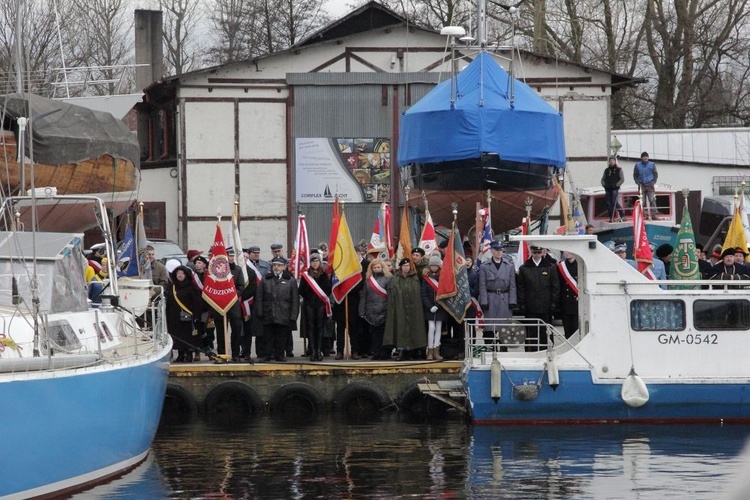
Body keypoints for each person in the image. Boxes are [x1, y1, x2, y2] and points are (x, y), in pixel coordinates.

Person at [517, 245, 560, 351]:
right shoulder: (524, 268)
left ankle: (547, 350)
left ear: (543, 252)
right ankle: (531, 351)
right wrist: (522, 303)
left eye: (539, 252)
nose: (536, 255)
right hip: (530, 306)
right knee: (531, 331)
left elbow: (555, 286)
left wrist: (554, 303)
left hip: (546, 306)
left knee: (546, 331)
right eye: (534, 252)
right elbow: (521, 288)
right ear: (531, 252)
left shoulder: (550, 267)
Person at [384, 258, 426, 361]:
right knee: (400, 329)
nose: (406, 268)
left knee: (414, 329)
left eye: (408, 266)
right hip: (400, 308)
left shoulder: (415, 278)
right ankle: (401, 351)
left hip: (414, 309)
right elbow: (392, 294)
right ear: (401, 267)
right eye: (404, 266)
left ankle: (415, 351)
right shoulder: (395, 279)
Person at [478, 240, 517, 345]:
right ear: (491, 251)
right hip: (491, 298)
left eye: (501, 250)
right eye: (497, 250)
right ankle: (489, 347)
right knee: (490, 326)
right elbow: (482, 285)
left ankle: (504, 348)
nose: (499, 252)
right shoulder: (485, 266)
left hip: (505, 297)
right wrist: (484, 301)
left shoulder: (509, 265)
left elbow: (513, 285)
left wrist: (512, 300)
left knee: (504, 326)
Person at [213, 247, 247, 362]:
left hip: (233, 304)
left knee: (236, 330)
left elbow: (241, 286)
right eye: (229, 256)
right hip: (220, 304)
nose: (231, 258)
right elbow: (213, 287)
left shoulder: (237, 270)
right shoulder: (217, 271)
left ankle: (235, 354)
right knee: (221, 331)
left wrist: (232, 295)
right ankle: (222, 354)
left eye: (232, 256)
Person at [165, 265, 203, 362]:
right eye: (178, 273)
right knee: (177, 336)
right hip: (174, 317)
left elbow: (197, 302)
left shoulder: (191, 287)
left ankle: (189, 354)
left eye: (182, 273)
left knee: (188, 336)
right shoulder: (172, 287)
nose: (180, 275)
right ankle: (180, 354)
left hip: (188, 317)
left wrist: (196, 315)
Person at [298, 253, 331, 362]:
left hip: (321, 304)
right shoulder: (306, 275)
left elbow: (327, 289)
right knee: (311, 328)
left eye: (316, 261)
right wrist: (310, 296)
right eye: (313, 261)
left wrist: (319, 297)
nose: (315, 263)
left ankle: (318, 350)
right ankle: (312, 351)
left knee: (320, 328)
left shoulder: (324, 274)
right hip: (309, 304)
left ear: (320, 262)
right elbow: (301, 289)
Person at [359, 258, 392, 360]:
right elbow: (364, 295)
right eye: (374, 267)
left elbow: (391, 296)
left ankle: (385, 353)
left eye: (378, 267)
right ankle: (376, 353)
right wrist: (362, 310)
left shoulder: (388, 279)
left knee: (383, 334)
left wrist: (388, 310)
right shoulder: (368, 280)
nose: (376, 269)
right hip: (371, 311)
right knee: (374, 335)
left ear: (382, 268)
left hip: (384, 310)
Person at [421, 254, 448, 360]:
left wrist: (437, 305)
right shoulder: (426, 278)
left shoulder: (443, 278)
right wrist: (430, 306)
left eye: (435, 266)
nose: (433, 268)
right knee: (431, 328)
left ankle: (437, 350)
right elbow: (424, 294)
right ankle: (430, 350)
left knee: (438, 328)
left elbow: (445, 293)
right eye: (431, 266)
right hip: (429, 308)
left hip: (440, 307)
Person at [557, 252, 579, 338]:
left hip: (577, 304)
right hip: (566, 304)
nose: (567, 253)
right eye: (565, 252)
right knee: (568, 331)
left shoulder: (580, 264)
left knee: (577, 331)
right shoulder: (561, 267)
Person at [634, 152, 659, 218]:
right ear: (641, 158)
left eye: (646, 156)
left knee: (652, 199)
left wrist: (653, 182)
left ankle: (654, 215)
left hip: (650, 184)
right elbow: (635, 174)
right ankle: (645, 215)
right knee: (643, 201)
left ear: (648, 157)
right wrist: (637, 182)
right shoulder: (637, 165)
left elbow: (655, 174)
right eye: (644, 156)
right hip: (641, 185)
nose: (645, 157)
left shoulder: (652, 164)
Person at [601, 156, 626, 222]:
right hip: (607, 189)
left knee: (615, 202)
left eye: (613, 160)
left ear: (615, 161)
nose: (611, 161)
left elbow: (622, 179)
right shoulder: (606, 170)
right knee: (609, 204)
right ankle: (611, 217)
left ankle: (622, 215)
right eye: (610, 160)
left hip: (615, 189)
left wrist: (616, 185)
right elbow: (603, 179)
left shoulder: (619, 169)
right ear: (609, 162)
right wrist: (604, 185)